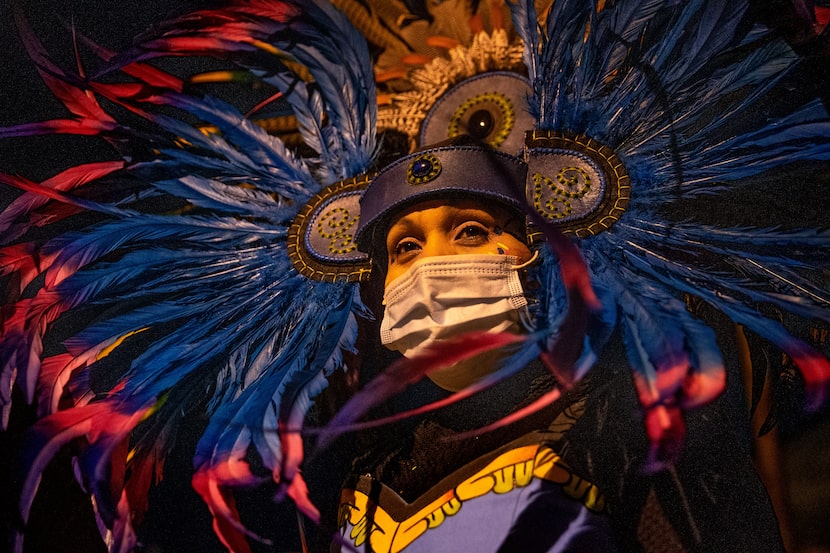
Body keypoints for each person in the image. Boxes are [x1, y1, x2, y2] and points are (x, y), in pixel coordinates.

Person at [324, 137, 785, 553]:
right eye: (405, 247)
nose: (431, 265)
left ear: (539, 257)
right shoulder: (369, 480)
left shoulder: (631, 431)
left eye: (471, 231)